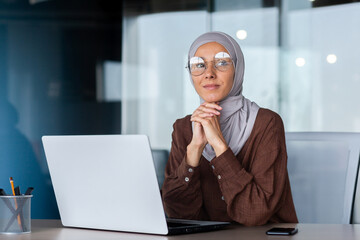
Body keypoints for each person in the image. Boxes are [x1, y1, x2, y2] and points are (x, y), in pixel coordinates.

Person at [161, 31, 298, 226]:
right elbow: (178, 215)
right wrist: (193, 151)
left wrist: (219, 145)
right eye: (199, 65)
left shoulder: (267, 123)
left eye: (222, 62)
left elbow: (254, 214)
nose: (209, 73)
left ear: (238, 68)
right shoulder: (183, 128)